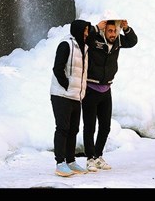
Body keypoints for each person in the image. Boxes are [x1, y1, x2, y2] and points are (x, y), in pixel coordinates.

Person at [83, 18, 138, 172]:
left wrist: (126, 28)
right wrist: (95, 28)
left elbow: (133, 41)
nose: (113, 34)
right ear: (104, 31)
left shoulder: (118, 41)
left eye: (115, 31)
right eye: (110, 31)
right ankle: (89, 159)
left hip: (106, 89)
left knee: (105, 126)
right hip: (90, 89)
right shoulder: (95, 40)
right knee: (90, 126)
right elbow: (83, 38)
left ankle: (98, 156)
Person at [50, 19, 91, 177]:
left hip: (76, 96)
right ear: (78, 30)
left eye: (88, 30)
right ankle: (60, 163)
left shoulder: (84, 47)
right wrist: (66, 85)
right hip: (61, 95)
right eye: (85, 30)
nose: (87, 34)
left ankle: (71, 161)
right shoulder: (66, 44)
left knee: (73, 129)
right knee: (62, 128)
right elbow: (57, 68)